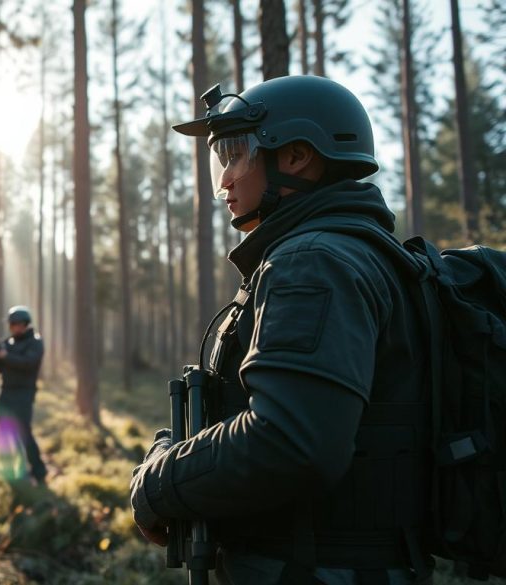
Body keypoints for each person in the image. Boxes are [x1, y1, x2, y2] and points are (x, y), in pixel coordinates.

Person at [130, 75, 434, 584]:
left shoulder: (313, 262)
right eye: (218, 162)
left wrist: (158, 482)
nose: (224, 180)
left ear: (296, 157)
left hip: (314, 568)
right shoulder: (352, 253)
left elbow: (292, 440)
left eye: (235, 155)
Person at [0, 306, 48, 486]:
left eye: (17, 324)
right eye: (12, 324)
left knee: (24, 434)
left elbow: (28, 364)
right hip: (6, 392)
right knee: (5, 433)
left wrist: (6, 356)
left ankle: (39, 471)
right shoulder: (7, 343)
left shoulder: (35, 342)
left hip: (24, 393)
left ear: (25, 324)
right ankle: (12, 472)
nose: (14, 327)